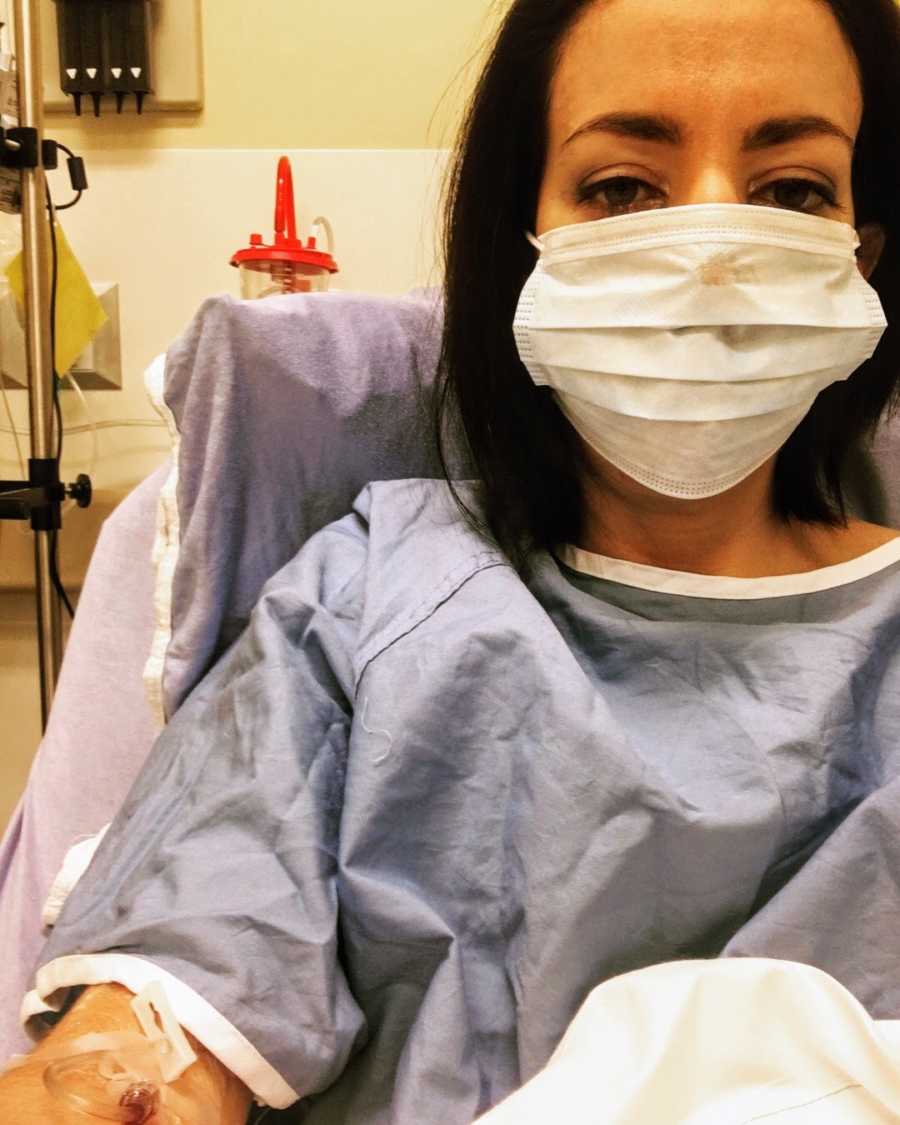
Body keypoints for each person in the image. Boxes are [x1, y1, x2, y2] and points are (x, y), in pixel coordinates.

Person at [3, 0, 900, 1120]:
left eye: (793, 192)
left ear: (866, 251)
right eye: (622, 188)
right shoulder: (372, 595)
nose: (711, 255)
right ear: (520, 238)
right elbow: (153, 1030)